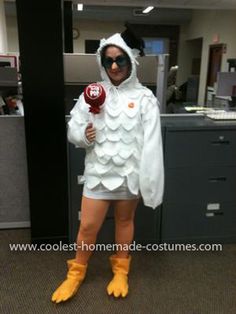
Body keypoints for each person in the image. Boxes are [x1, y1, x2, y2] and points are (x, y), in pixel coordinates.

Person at [51, 27, 164, 303]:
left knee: (125, 222)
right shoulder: (92, 92)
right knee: (88, 225)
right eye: (108, 60)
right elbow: (72, 129)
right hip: (98, 174)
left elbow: (152, 144)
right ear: (102, 63)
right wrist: (83, 135)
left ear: (131, 61)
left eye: (120, 60)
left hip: (129, 174)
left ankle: (121, 270)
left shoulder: (145, 99)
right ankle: (76, 273)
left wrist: (150, 182)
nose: (114, 66)